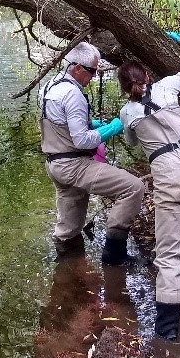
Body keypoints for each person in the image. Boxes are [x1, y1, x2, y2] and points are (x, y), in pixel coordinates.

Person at [116, 32, 180, 341]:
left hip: (171, 172)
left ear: (124, 88)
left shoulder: (126, 113)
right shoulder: (167, 86)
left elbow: (131, 141)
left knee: (166, 250)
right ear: (147, 75)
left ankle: (166, 329)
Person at [39, 41, 145, 264]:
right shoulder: (73, 94)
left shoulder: (50, 85)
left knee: (69, 228)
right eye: (93, 70)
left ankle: (70, 272)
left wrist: (90, 122)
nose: (95, 76)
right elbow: (81, 140)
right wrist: (112, 128)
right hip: (74, 165)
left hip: (54, 164)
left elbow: (59, 121)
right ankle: (114, 254)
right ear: (77, 68)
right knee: (133, 188)